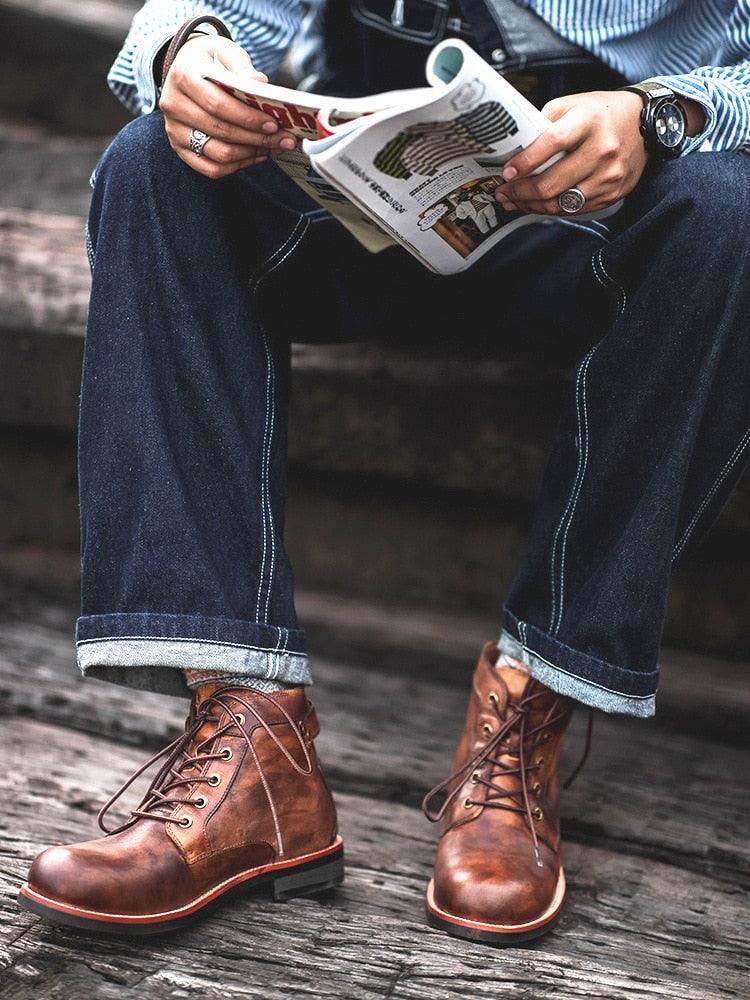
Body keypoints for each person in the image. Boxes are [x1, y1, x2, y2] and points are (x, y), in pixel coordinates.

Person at [17, 0, 750, 944]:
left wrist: (665, 119)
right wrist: (186, 48)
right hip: (360, 191)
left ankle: (531, 703)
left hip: (610, 211)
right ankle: (250, 741)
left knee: (735, 217)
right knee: (151, 162)